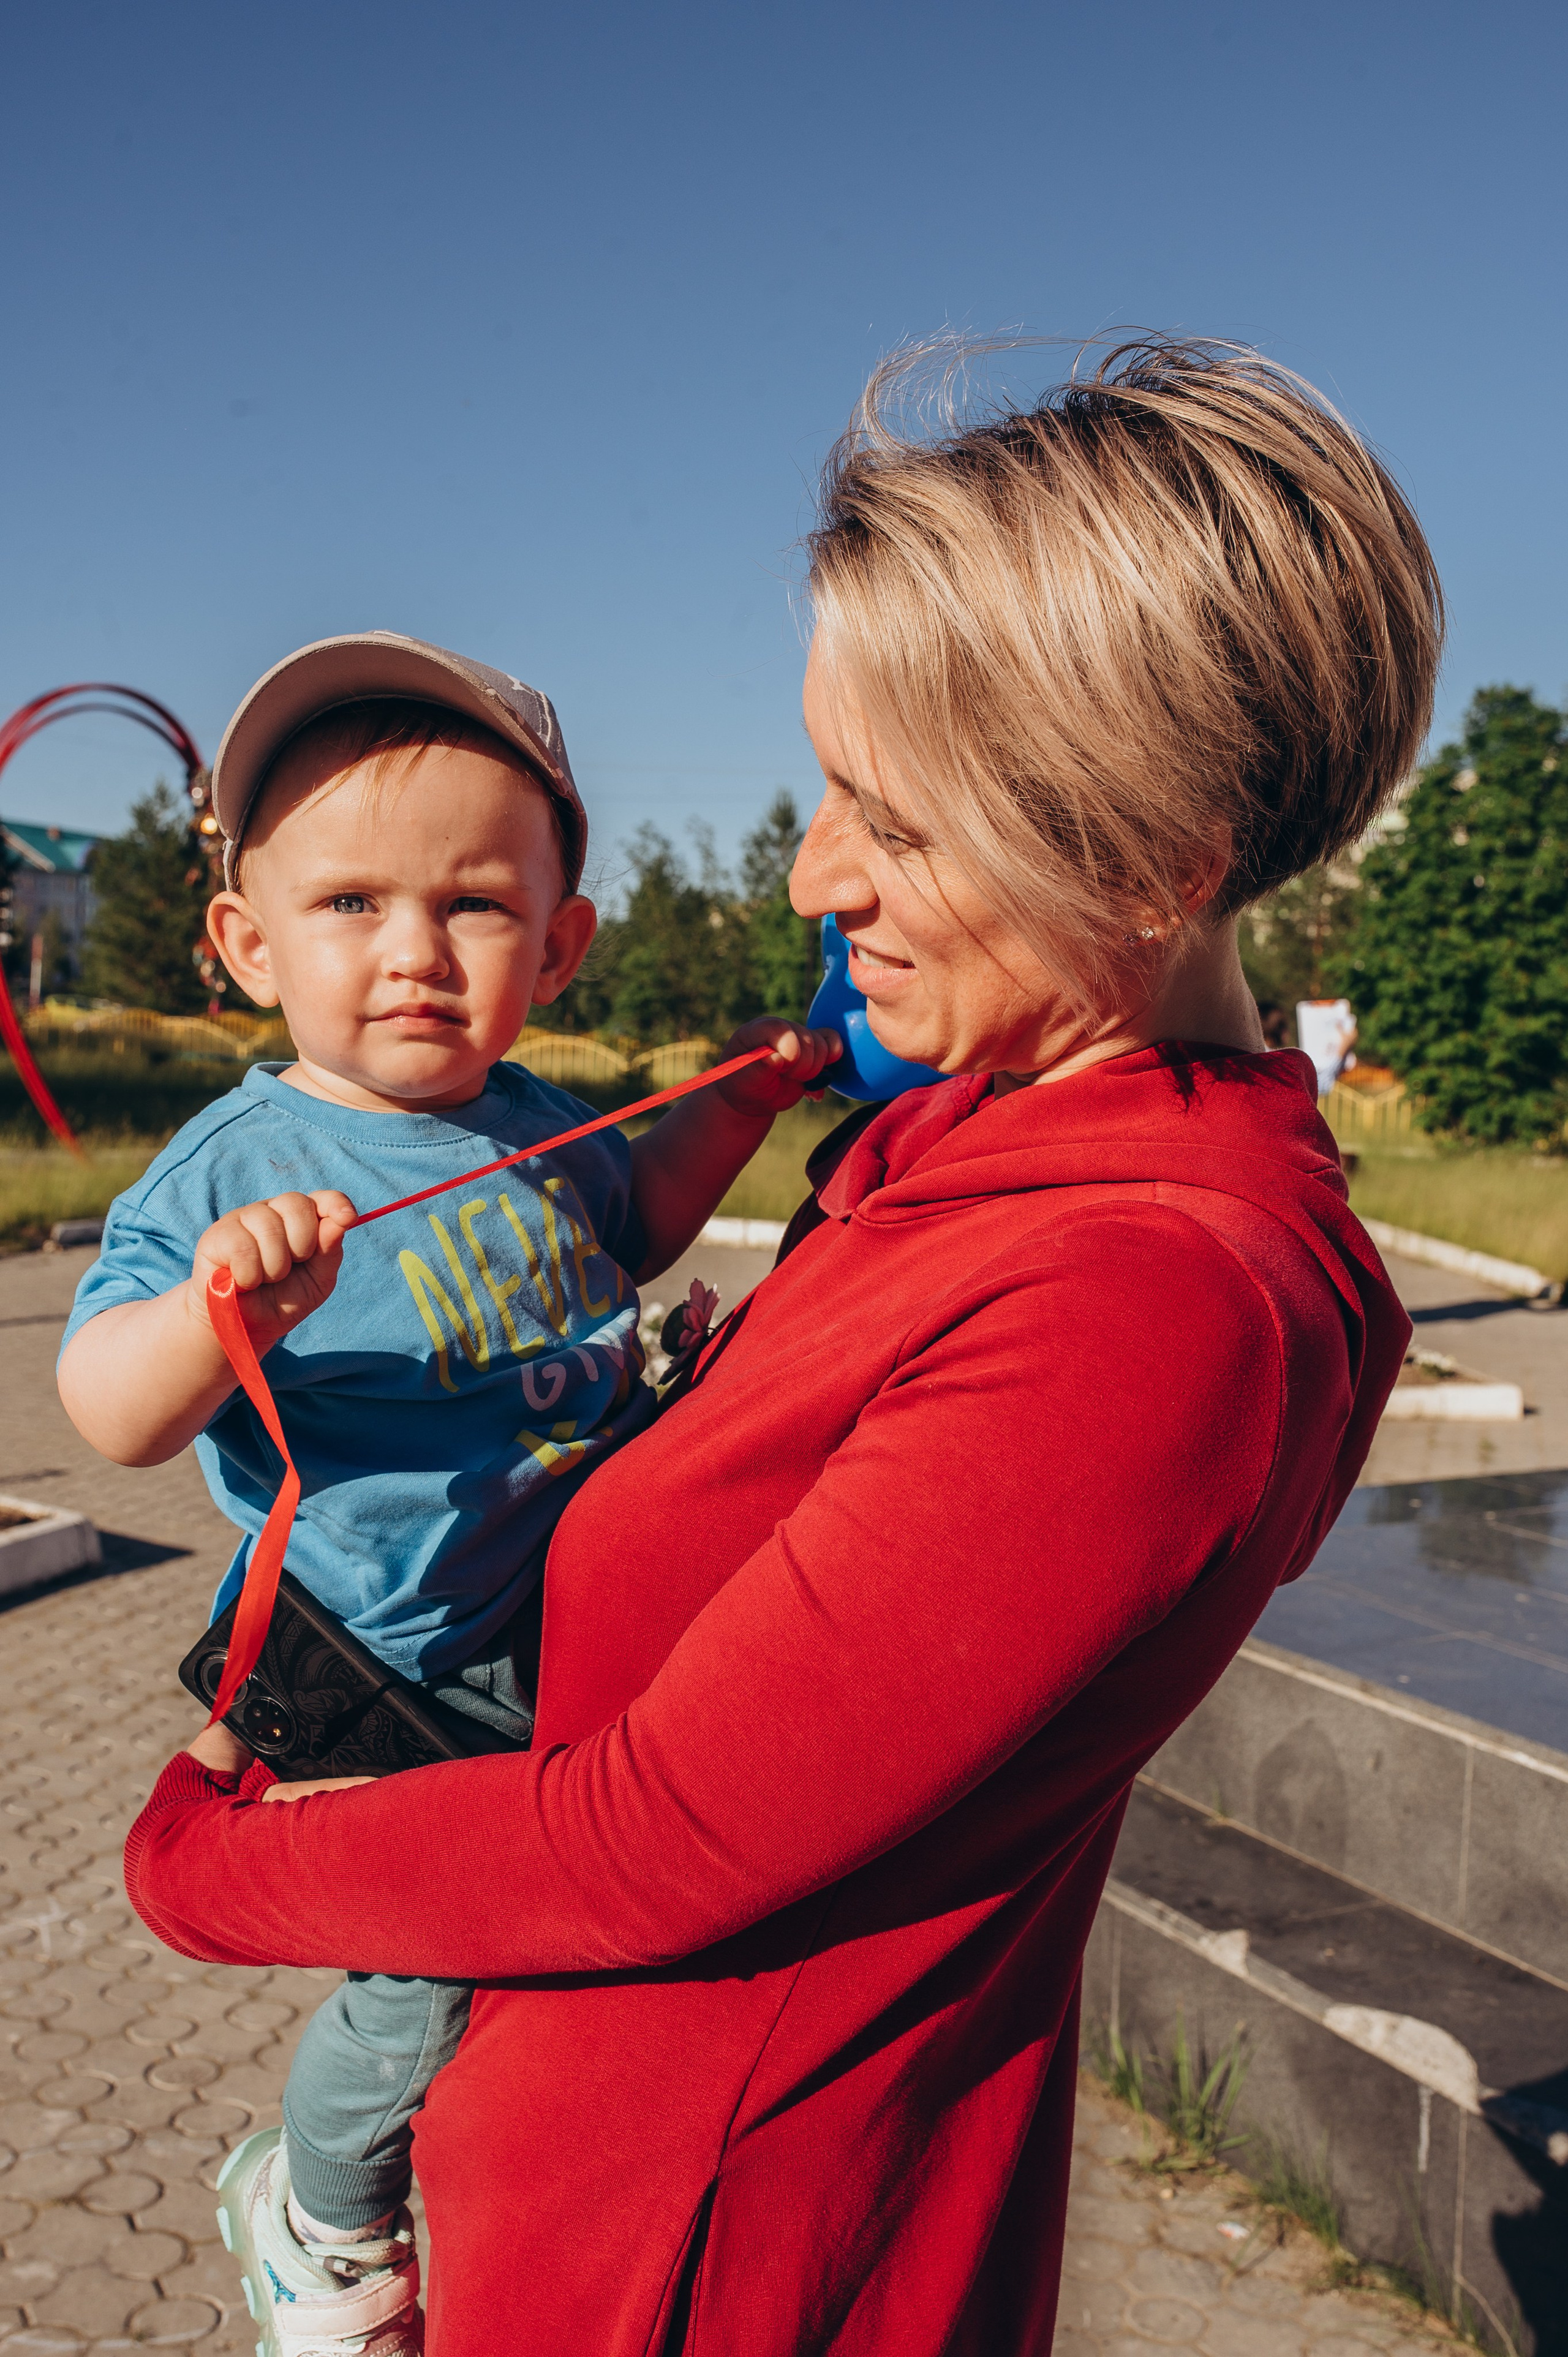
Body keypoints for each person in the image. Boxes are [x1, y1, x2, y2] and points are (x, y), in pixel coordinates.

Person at [124, 340, 1440, 2357]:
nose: (818, 877)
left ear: (1158, 860)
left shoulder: (1151, 1294)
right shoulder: (998, 1148)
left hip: (700, 2250)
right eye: (829, 783)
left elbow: (663, 1838)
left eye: (894, 824)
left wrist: (210, 1873)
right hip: (572, 2172)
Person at [58, 632, 837, 2354]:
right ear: (247, 946)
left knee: (548, 1964)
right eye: (349, 906)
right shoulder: (243, 1171)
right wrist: (214, 1321)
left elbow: (628, 1221)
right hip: (385, 1660)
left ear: (557, 946)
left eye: (476, 906)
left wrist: (750, 1102)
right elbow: (99, 1406)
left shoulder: (535, 1119)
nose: (414, 954)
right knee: (425, 1985)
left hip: (543, 1626)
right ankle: (315, 2218)